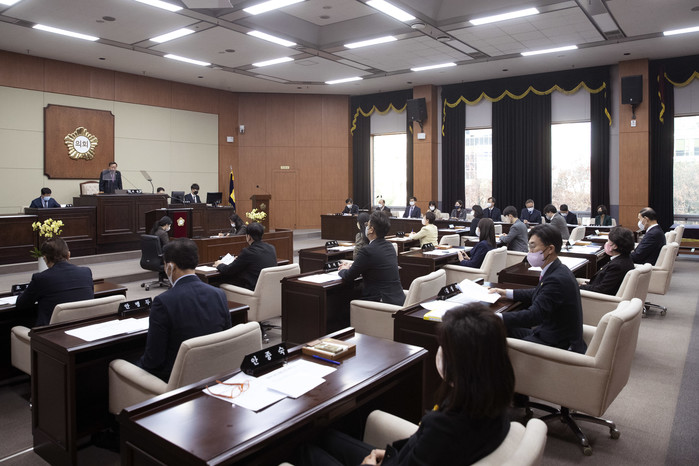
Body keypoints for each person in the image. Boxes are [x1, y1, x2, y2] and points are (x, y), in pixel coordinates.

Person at [294, 303, 513, 466]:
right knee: (324, 436)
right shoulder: (492, 400)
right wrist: (390, 453)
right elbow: (420, 447)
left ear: (461, 365)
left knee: (305, 451)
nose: (439, 353)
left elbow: (428, 443)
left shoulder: (444, 427)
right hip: (399, 459)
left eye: (444, 349)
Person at [136, 238, 231, 382]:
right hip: (213, 371)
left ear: (171, 267)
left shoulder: (163, 302)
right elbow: (226, 337)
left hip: (176, 379)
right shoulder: (219, 294)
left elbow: (153, 361)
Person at [490, 224, 586, 353]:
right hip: (550, 333)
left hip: (556, 344)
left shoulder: (556, 279)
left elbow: (533, 315)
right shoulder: (558, 269)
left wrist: (496, 317)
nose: (529, 252)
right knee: (503, 328)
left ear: (550, 249)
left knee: (495, 336)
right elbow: (538, 292)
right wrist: (505, 293)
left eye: (533, 247)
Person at [16, 238, 93, 327]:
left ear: (45, 258)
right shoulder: (86, 272)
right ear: (68, 255)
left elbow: (21, 304)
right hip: (82, 329)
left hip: (51, 333)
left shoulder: (41, 278)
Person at [339, 211, 404, 305]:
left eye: (367, 225)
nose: (366, 227)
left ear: (371, 230)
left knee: (344, 300)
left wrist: (343, 269)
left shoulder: (367, 251)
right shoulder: (390, 246)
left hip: (380, 302)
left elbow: (349, 276)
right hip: (397, 299)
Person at [214, 222, 277, 290]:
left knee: (216, 283)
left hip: (252, 289)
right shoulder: (271, 248)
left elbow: (229, 270)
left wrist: (219, 264)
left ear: (249, 237)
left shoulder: (248, 252)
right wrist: (239, 259)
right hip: (269, 288)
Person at [580, 226, 635, 295]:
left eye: (608, 241)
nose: (606, 243)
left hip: (596, 299)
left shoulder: (617, 266)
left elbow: (602, 290)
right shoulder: (624, 258)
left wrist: (582, 287)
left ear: (614, 246)